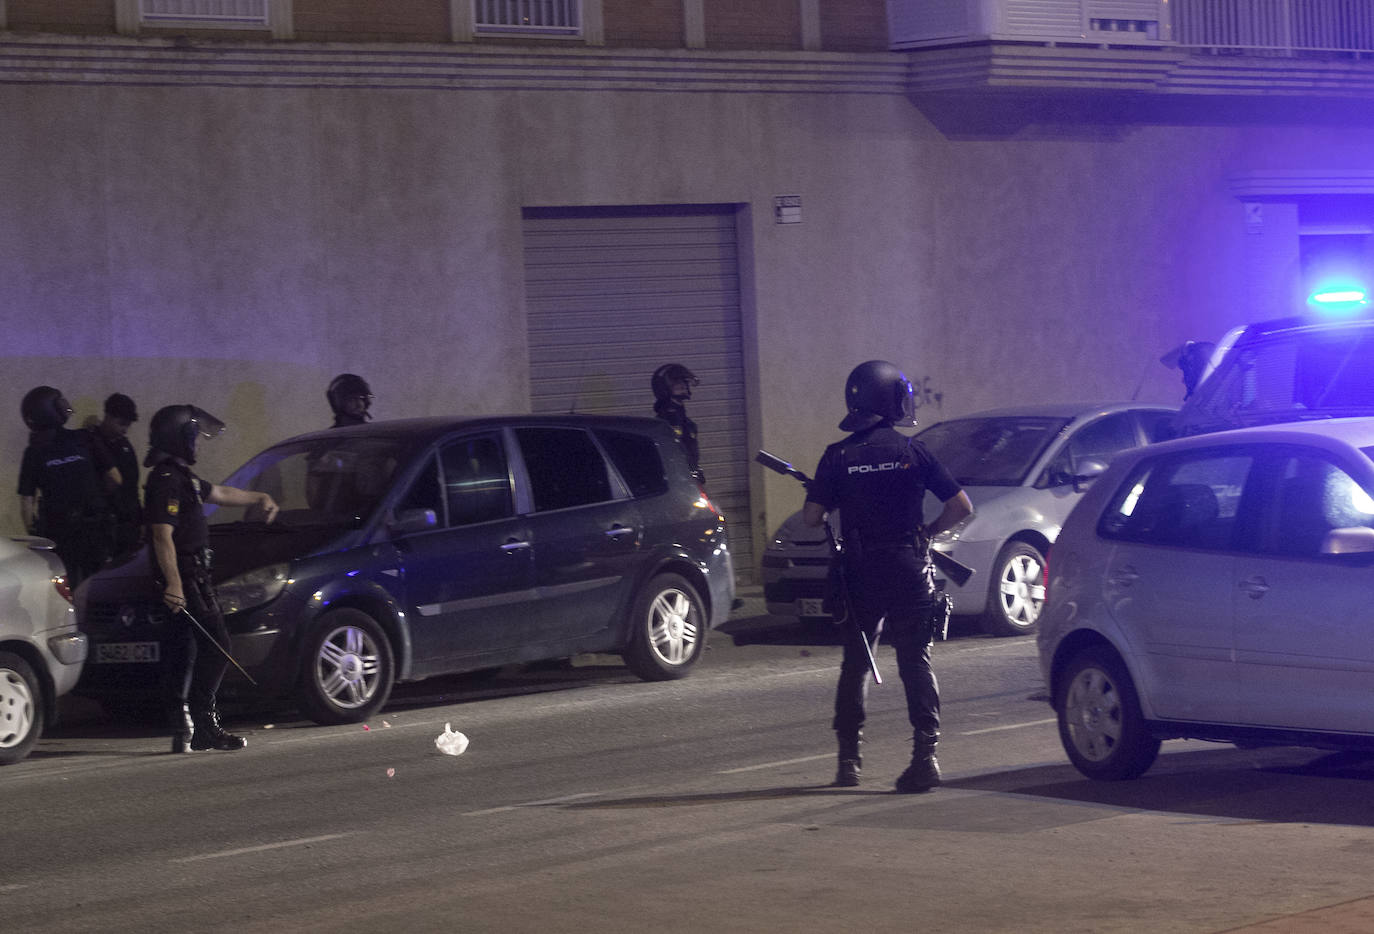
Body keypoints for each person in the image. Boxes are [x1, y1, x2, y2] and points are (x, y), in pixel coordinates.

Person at [802, 360, 973, 793]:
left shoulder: (837, 456)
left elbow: (811, 517)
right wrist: (928, 533)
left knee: (856, 665)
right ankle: (925, 757)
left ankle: (848, 762)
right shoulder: (913, 452)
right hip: (909, 570)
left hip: (860, 574)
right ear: (892, 401)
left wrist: (838, 497)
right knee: (916, 663)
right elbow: (961, 507)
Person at [144, 404, 278, 753]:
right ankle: (204, 727)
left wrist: (259, 497)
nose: (198, 445)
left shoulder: (181, 477)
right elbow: (162, 535)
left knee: (183, 653)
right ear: (180, 438)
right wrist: (175, 584)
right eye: (195, 438)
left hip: (192, 575)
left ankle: (182, 727)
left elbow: (218, 493)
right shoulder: (166, 481)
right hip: (187, 577)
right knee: (218, 647)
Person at [17, 385, 119, 587]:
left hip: (60, 534)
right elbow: (115, 478)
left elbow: (26, 503)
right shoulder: (85, 438)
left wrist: (35, 534)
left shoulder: (33, 452)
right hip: (96, 530)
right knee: (99, 587)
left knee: (66, 588)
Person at [88, 393, 142, 557]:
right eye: (121, 424)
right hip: (102, 525)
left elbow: (132, 486)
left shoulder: (124, 445)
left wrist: (140, 520)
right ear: (108, 416)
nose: (125, 430)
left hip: (127, 524)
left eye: (128, 425)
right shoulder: (91, 443)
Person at [651, 362, 704, 484]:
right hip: (677, 480)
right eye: (677, 384)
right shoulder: (666, 420)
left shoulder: (684, 419)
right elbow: (671, 454)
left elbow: (689, 449)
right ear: (664, 388)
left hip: (687, 479)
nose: (684, 386)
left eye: (684, 383)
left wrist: (695, 470)